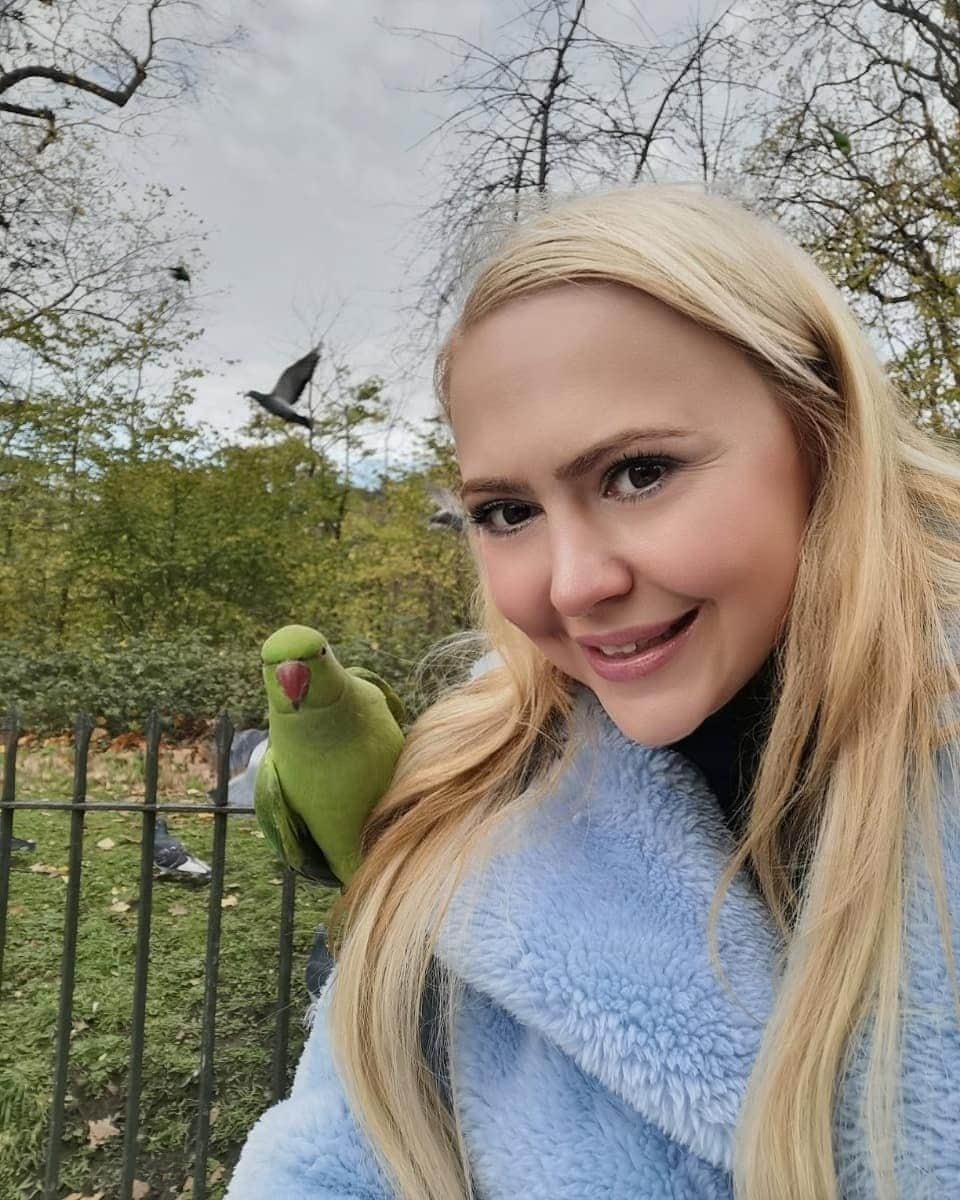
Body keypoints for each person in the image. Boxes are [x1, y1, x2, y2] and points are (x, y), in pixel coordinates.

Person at [225, 184, 960, 1200]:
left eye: (640, 471)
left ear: (822, 433)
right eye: (508, 510)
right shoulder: (458, 829)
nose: (574, 585)